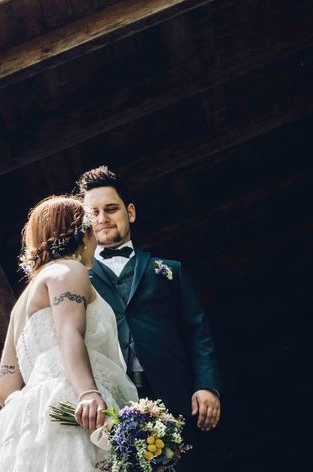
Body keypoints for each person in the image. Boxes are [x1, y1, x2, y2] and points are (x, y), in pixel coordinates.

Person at [0, 196, 138, 472]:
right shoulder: (69, 270)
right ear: (83, 233)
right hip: (77, 404)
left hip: (34, 421)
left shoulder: (21, 305)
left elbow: (4, 388)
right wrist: (88, 392)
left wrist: (32, 415)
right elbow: (69, 333)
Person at [77, 166, 221, 465]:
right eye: (94, 213)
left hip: (173, 395)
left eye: (111, 209)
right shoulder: (76, 278)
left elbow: (198, 333)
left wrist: (206, 385)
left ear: (130, 212)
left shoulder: (170, 271)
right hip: (110, 400)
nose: (102, 218)